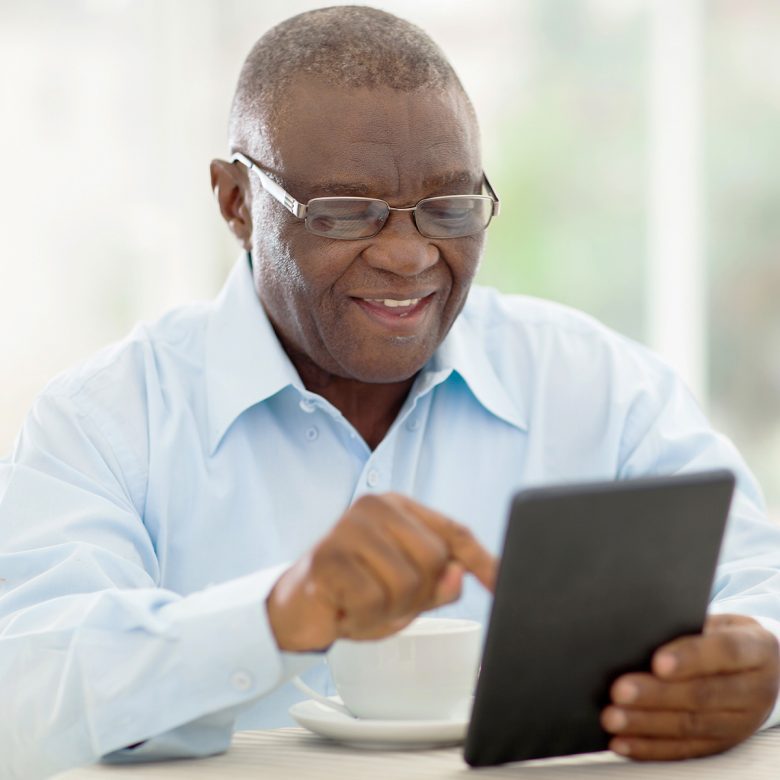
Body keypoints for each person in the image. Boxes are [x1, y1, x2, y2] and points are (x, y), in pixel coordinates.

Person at [1, 6, 779, 778]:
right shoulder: (105, 422)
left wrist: (759, 659)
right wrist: (273, 617)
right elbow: (24, 695)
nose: (410, 257)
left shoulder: (604, 391)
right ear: (236, 203)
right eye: (345, 212)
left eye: (449, 207)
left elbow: (758, 580)